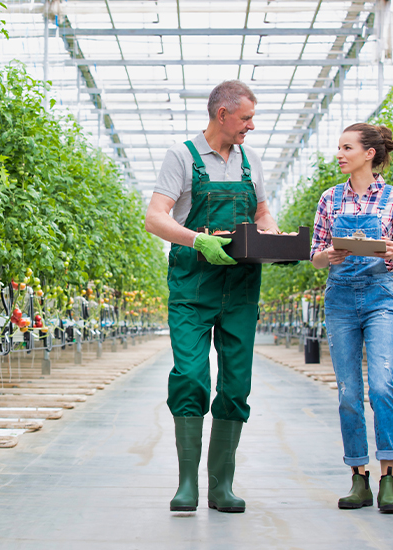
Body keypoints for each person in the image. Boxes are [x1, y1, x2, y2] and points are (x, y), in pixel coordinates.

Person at [144, 80, 278, 513]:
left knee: (236, 384)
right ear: (222, 114)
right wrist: (196, 240)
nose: (251, 127)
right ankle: (187, 485)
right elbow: (154, 217)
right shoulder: (181, 156)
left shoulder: (249, 161)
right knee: (191, 377)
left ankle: (222, 485)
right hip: (192, 286)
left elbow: (260, 211)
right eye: (245, 118)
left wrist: (272, 236)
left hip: (240, 287)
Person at [310, 123, 393, 514]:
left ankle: (388, 478)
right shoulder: (329, 199)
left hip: (380, 298)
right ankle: (359, 478)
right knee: (349, 392)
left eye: (346, 147)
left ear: (369, 153)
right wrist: (330, 256)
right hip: (339, 298)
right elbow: (316, 255)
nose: (339, 154)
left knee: (383, 386)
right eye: (338, 147)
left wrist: (389, 250)